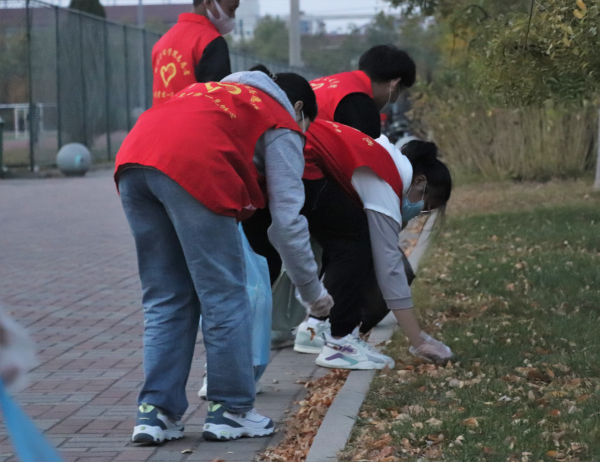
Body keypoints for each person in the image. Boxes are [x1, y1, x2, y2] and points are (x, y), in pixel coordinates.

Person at [114, 69, 333, 444]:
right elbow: (287, 224)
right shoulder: (281, 120)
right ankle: (231, 410)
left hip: (134, 159)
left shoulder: (211, 94)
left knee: (166, 296)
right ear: (298, 110)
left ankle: (155, 414)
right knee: (224, 295)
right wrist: (313, 294)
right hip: (195, 166)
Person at [245, 119, 453, 368]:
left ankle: (236, 358)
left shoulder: (381, 154)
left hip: (259, 160)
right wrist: (418, 340)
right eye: (425, 206)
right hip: (297, 161)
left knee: (262, 265)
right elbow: (390, 269)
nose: (418, 212)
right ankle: (340, 343)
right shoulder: (386, 178)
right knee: (355, 240)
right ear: (419, 181)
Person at [309, 44, 417, 139]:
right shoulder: (360, 105)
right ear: (394, 84)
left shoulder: (328, 83)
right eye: (399, 92)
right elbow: (367, 153)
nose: (395, 99)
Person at [151, 0, 238, 106]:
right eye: (231, 9)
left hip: (161, 116)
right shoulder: (210, 40)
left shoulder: (162, 42)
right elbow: (218, 100)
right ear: (209, 2)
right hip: (195, 115)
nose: (233, 16)